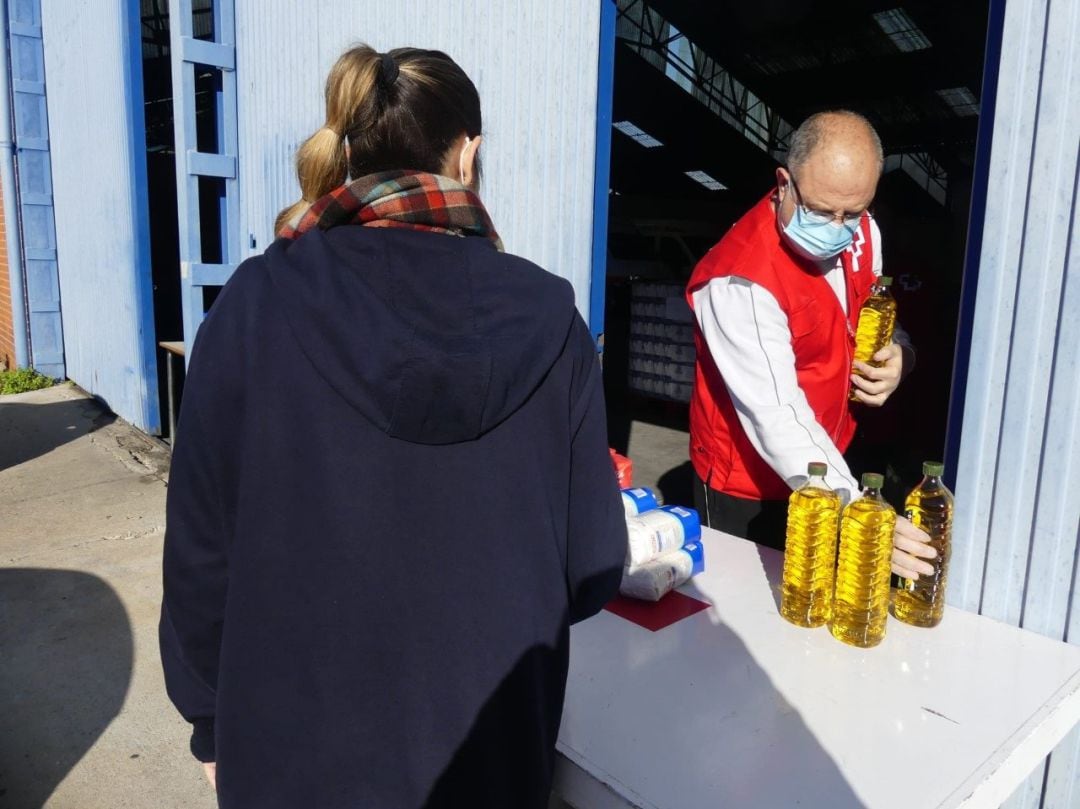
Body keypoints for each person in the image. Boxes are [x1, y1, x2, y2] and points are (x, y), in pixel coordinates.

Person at [159, 45, 626, 809]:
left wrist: (212, 721)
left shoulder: (254, 305)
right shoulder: (552, 320)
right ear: (468, 154)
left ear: (349, 149)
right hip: (490, 760)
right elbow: (593, 567)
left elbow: (202, 555)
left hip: (291, 761)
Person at [685, 110, 935, 580]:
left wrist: (901, 354)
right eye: (820, 211)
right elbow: (776, 414)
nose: (838, 228)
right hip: (750, 486)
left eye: (854, 212)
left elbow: (872, 312)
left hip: (834, 457)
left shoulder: (862, 233)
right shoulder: (740, 282)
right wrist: (860, 515)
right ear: (784, 183)